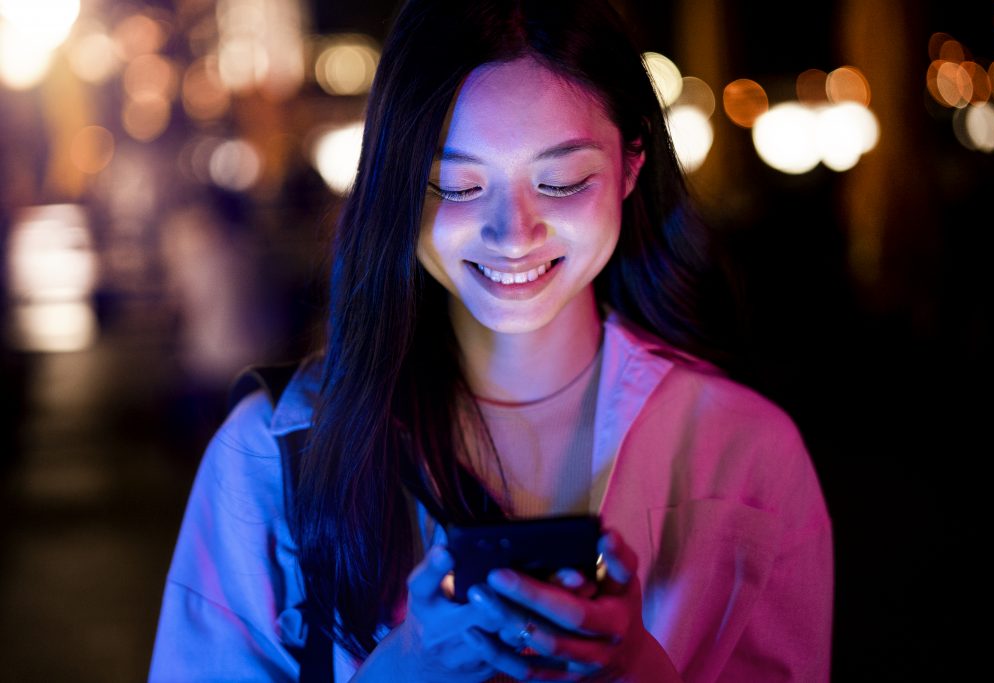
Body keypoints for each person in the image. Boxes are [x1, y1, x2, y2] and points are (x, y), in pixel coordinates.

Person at [149, 0, 833, 681]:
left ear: (630, 165)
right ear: (396, 186)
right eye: (458, 184)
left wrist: (635, 667)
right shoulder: (276, 451)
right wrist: (407, 665)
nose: (513, 232)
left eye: (560, 181)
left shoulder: (746, 455)